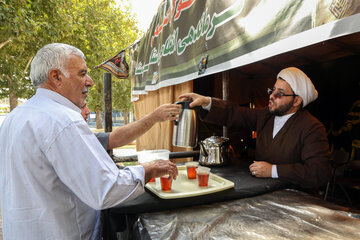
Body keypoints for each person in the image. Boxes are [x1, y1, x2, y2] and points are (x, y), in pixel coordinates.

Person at [0, 43, 178, 240]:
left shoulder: (16, 116)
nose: (90, 81)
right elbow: (106, 190)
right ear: (56, 77)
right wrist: (149, 169)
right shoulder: (63, 120)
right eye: (82, 73)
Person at [179, 67, 332, 189]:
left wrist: (272, 170)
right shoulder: (265, 115)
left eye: (279, 93)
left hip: (295, 200)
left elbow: (318, 172)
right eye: (272, 90)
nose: (271, 96)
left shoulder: (312, 127)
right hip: (262, 193)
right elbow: (234, 113)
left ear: (297, 100)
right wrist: (206, 102)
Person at [81, 102, 180, 150]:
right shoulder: (77, 139)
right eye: (82, 106)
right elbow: (116, 138)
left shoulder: (82, 137)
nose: (88, 111)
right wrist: (153, 117)